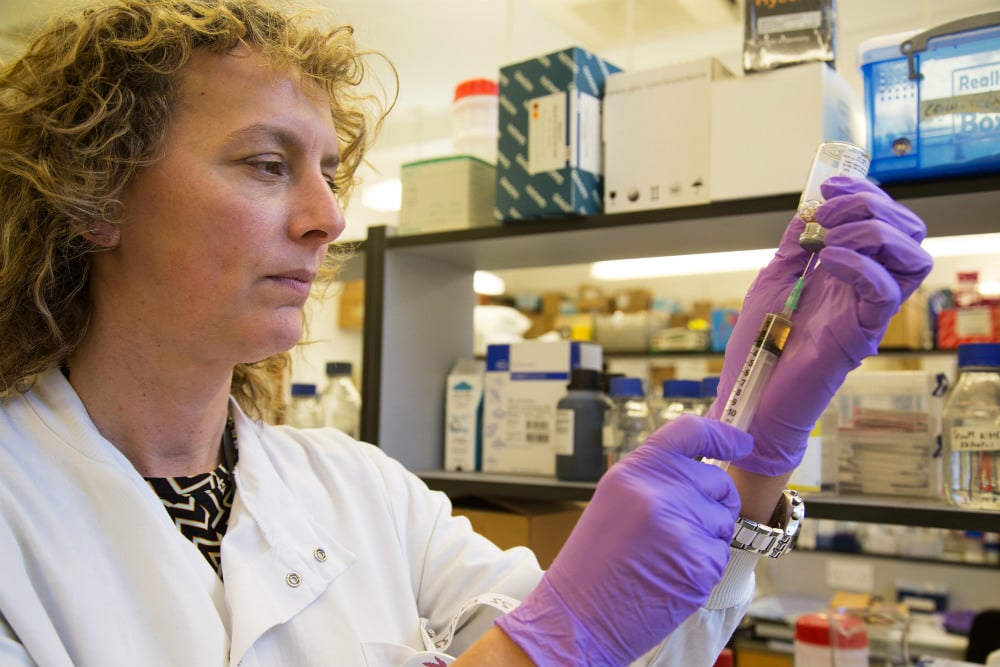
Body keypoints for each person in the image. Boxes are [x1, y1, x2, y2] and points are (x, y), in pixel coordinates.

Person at [0, 1, 932, 666]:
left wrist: (760, 445)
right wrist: (539, 647)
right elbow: (557, 644)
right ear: (97, 195)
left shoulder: (361, 488)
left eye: (329, 170)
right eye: (265, 163)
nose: (328, 215)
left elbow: (629, 650)